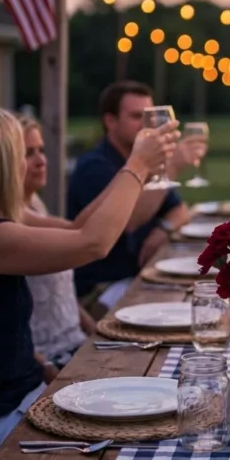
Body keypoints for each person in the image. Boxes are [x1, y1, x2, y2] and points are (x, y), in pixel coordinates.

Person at [0, 107, 178, 459]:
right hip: (1, 420)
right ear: (3, 164)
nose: (31, 163)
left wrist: (43, 366)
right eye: (22, 154)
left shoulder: (6, 219)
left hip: (27, 391)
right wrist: (137, 165)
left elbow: (77, 230)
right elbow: (93, 243)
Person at [68, 81, 204, 312]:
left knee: (200, 294)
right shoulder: (95, 167)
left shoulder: (146, 163)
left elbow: (179, 209)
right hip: (100, 289)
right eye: (136, 116)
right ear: (110, 121)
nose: (146, 125)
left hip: (139, 275)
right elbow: (128, 221)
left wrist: (163, 228)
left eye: (149, 116)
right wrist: (170, 168)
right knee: (185, 306)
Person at [20, 116, 95, 370]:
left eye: (41, 150)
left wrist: (94, 330)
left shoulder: (36, 205)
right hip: (51, 360)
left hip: (76, 345)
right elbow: (83, 233)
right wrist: (136, 170)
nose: (41, 161)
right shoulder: (13, 218)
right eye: (28, 153)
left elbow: (61, 293)